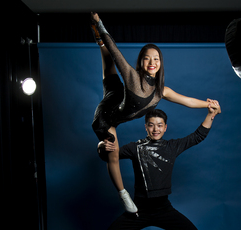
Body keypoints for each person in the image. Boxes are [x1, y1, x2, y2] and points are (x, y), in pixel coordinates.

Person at [90, 12, 221, 214]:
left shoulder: (161, 92)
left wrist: (208, 105)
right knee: (111, 152)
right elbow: (115, 52)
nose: (152, 62)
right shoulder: (133, 78)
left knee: (110, 76)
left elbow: (186, 100)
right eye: (147, 58)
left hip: (118, 97)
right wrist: (101, 25)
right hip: (107, 115)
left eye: (156, 59)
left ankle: (99, 42)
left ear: (160, 63)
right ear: (141, 62)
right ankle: (123, 193)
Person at [95, 104, 220, 230]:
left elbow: (198, 136)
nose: (155, 129)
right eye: (151, 125)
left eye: (159, 125)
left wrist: (210, 114)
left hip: (164, 209)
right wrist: (101, 147)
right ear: (145, 127)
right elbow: (110, 156)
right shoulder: (135, 147)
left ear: (165, 127)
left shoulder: (172, 146)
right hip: (138, 210)